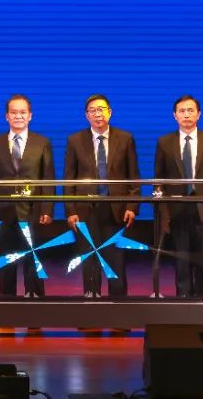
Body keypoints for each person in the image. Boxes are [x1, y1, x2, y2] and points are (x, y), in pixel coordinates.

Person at [64, 94, 139, 298]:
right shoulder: (75, 140)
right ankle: (91, 305)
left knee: (116, 262)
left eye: (101, 109)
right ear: (86, 115)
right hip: (85, 210)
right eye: (93, 110)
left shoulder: (125, 138)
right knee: (90, 260)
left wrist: (132, 207)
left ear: (110, 112)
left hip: (116, 210)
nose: (98, 114)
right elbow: (69, 179)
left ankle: (118, 307)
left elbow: (133, 177)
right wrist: (70, 211)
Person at [0, 94, 55, 298]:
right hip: (4, 213)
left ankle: (35, 304)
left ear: (30, 115)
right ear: (7, 116)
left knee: (32, 261)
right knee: (5, 262)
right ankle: (7, 304)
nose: (18, 116)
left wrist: (48, 209)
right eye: (14, 112)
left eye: (22, 112)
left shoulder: (42, 142)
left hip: (32, 212)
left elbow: (48, 178)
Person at [154, 95, 203, 298]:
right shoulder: (164, 142)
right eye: (182, 111)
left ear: (199, 114)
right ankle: (183, 301)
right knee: (182, 261)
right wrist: (163, 213)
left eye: (190, 110)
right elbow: (158, 180)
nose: (186, 114)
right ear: (175, 116)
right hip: (177, 210)